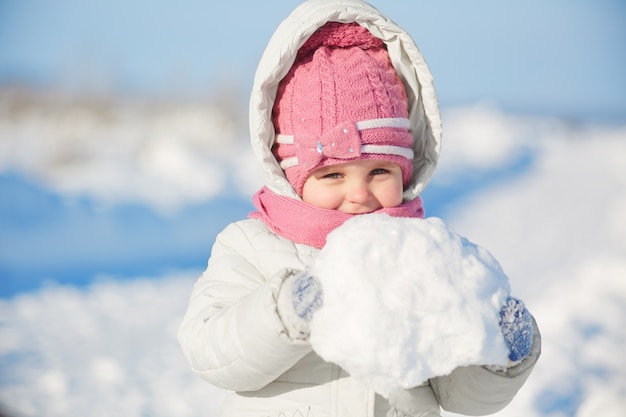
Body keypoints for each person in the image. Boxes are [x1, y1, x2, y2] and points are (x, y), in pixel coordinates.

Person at [178, 1, 541, 416]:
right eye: (333, 175)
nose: (359, 194)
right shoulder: (251, 246)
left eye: (379, 171)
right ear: (292, 175)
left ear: (405, 171)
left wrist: (497, 354)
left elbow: (459, 393)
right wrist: (286, 310)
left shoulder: (420, 254)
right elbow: (210, 349)